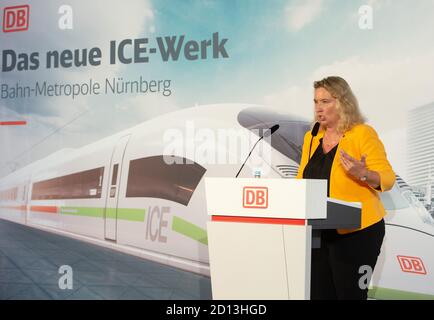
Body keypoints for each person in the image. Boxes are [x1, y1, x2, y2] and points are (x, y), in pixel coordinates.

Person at [296, 76, 395, 300]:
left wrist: (363, 173)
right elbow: (301, 179)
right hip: (319, 232)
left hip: (358, 232)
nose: (318, 108)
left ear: (342, 102)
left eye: (325, 101)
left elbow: (388, 179)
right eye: (315, 102)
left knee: (349, 296)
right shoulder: (311, 138)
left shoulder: (362, 134)